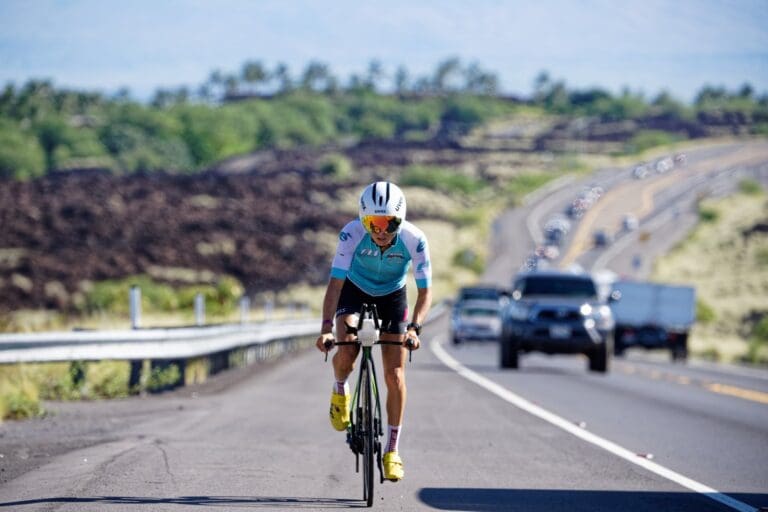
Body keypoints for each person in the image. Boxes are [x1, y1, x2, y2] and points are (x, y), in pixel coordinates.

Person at [316, 181, 432, 482]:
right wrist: (327, 329)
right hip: (354, 290)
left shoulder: (414, 239)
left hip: (393, 296)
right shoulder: (351, 234)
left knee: (394, 375)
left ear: (401, 220)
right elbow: (336, 285)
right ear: (362, 220)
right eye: (373, 223)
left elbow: (425, 292)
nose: (381, 231)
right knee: (347, 348)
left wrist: (415, 329)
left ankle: (392, 450)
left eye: (389, 223)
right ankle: (340, 389)